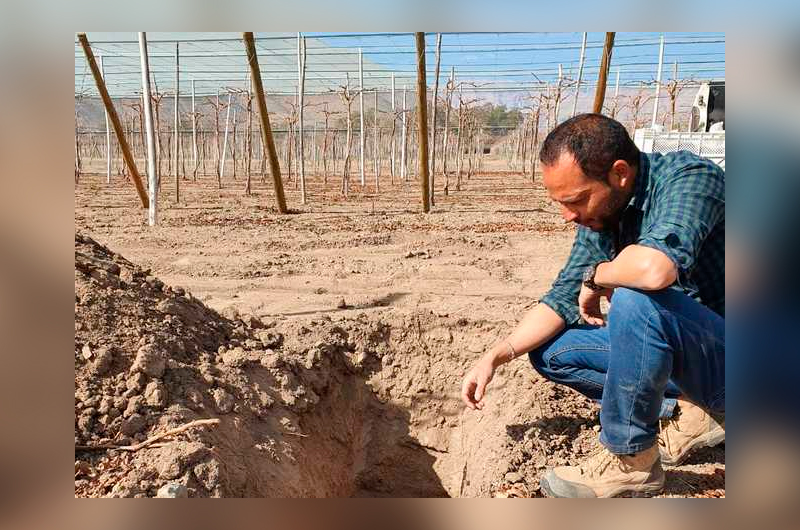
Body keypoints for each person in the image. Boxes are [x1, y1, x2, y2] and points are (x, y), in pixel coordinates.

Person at [460, 114, 725, 498]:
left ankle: (631, 460)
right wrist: (495, 356)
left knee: (636, 299)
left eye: (576, 200)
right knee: (551, 351)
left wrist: (598, 276)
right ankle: (696, 411)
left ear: (619, 174)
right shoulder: (604, 214)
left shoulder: (691, 179)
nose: (568, 215)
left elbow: (655, 271)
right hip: (691, 352)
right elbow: (561, 298)